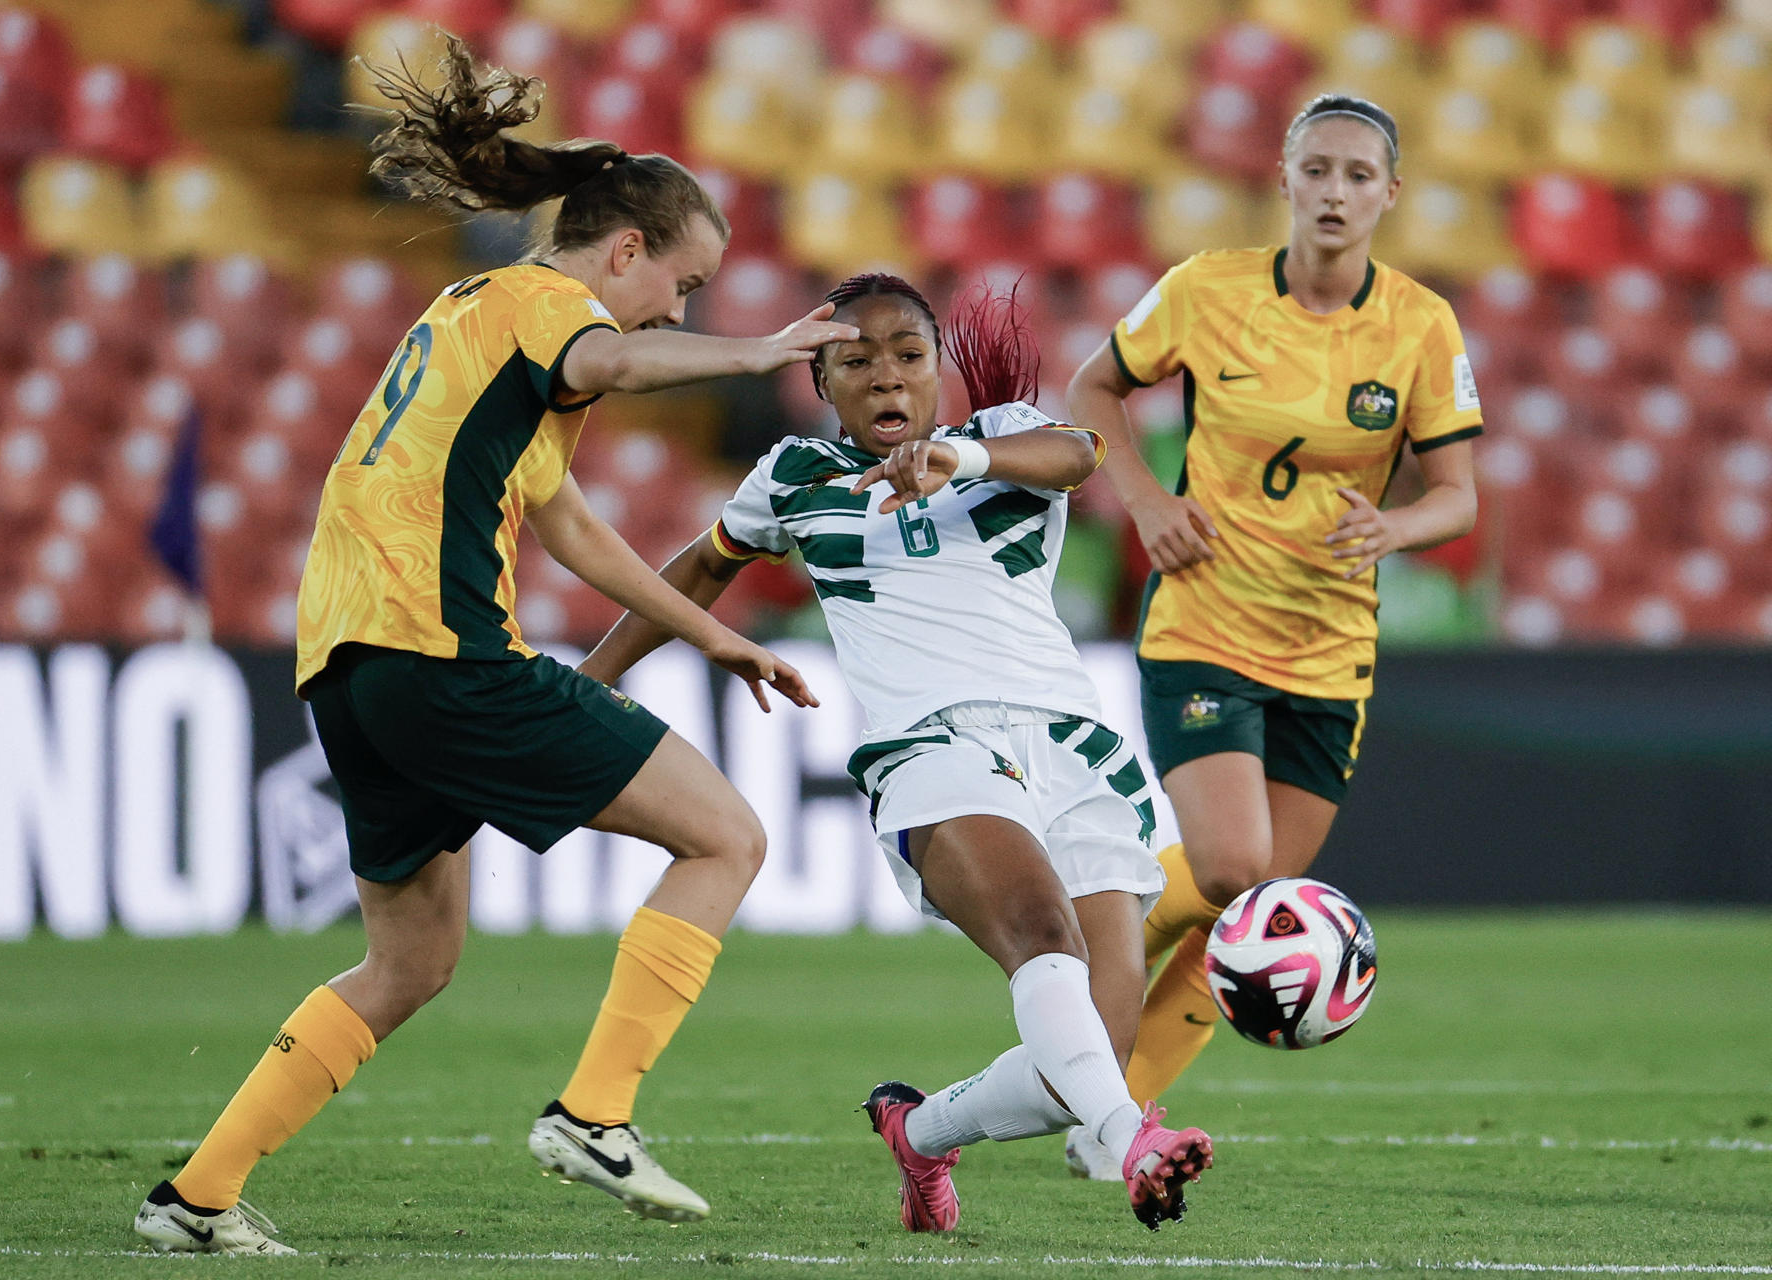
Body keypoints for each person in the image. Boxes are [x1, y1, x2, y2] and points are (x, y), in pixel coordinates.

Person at [132, 38, 858, 1255]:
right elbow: (616, 356)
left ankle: (195, 1196)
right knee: (727, 834)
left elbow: (570, 521)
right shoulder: (550, 308)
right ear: (624, 250)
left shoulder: (469, 313)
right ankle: (596, 1113)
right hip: (439, 649)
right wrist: (756, 351)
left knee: (410, 957)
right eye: (680, 285)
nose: (678, 310)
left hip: (352, 672)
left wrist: (712, 635)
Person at [581, 273, 1214, 1233]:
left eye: (908, 357)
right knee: (1044, 940)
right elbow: (705, 564)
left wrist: (957, 458)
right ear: (819, 382)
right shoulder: (794, 476)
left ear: (939, 372)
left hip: (1077, 755)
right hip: (934, 750)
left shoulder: (999, 437)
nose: (887, 379)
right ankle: (1133, 1143)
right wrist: (590, 682)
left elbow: (1080, 454)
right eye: (856, 361)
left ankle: (920, 1134)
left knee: (1088, 1052)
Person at [1058, 93, 1482, 1176]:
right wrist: (1148, 503)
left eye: (1358, 175)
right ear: (1285, 179)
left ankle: (1110, 1122)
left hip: (1331, 648)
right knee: (1238, 864)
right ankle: (1098, 924)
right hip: (1205, 618)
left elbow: (1459, 496)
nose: (1336, 192)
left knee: (1257, 916)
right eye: (1319, 169)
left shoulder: (1423, 325)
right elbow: (1091, 388)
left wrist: (1397, 523)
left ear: (1391, 194)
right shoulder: (1207, 289)